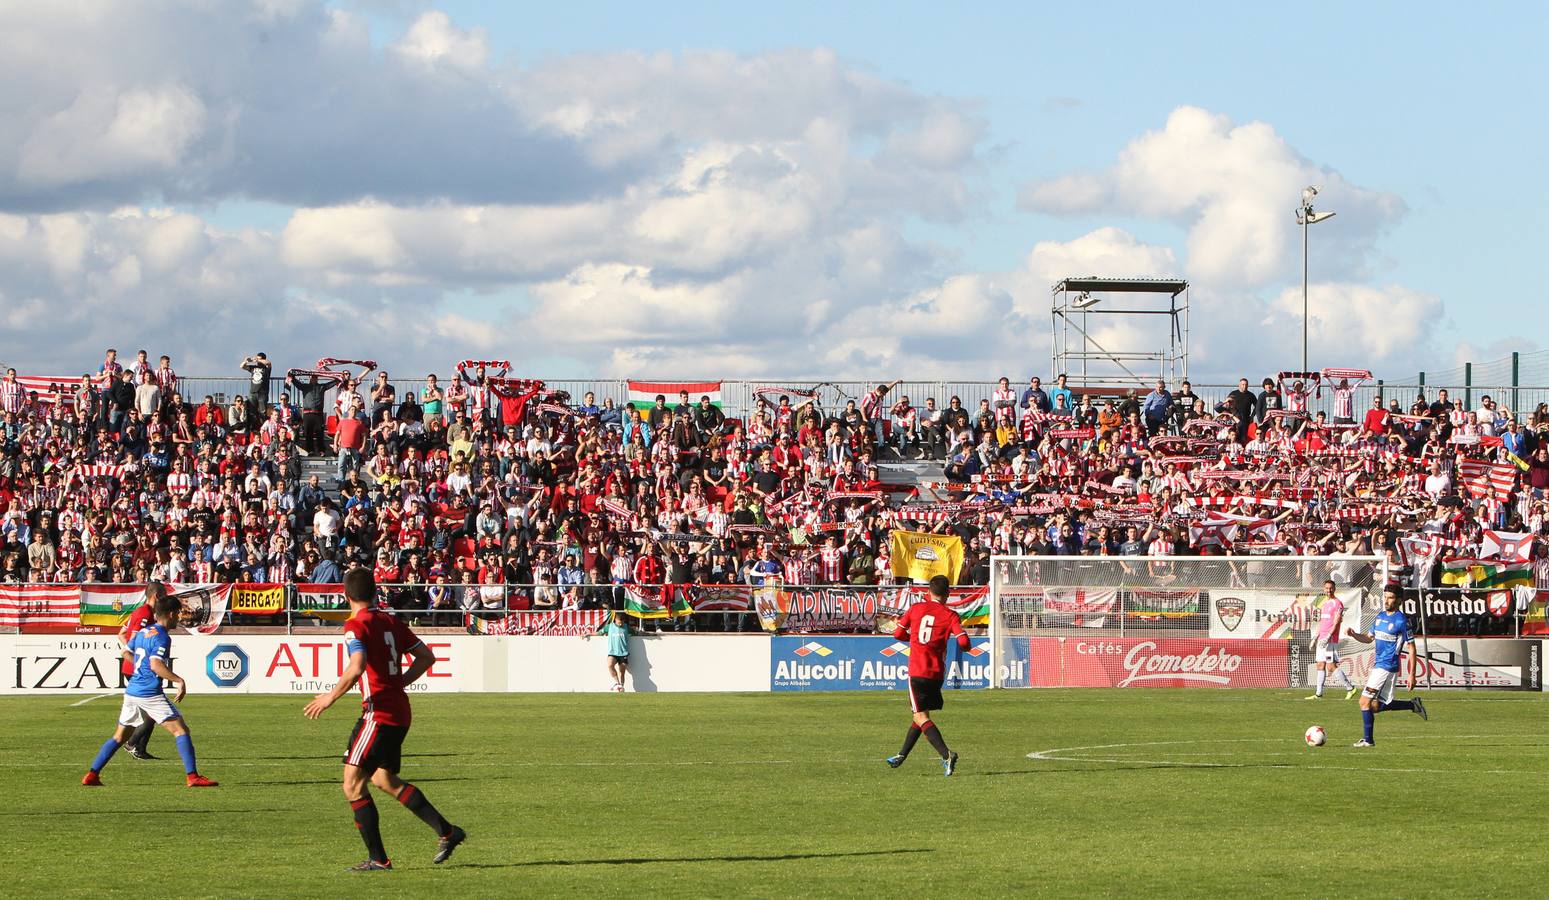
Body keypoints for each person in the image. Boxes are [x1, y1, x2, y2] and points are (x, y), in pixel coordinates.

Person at [303, 569, 466, 871]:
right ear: (374, 592)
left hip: (377, 713)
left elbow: (356, 667)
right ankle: (447, 831)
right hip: (400, 712)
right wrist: (400, 682)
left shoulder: (354, 625)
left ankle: (379, 859)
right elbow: (427, 657)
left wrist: (328, 697)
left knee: (352, 786)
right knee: (383, 779)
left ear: (345, 596)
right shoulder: (392, 621)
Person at [82, 592, 218, 787]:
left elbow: (125, 651)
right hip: (149, 693)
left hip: (132, 691)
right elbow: (155, 665)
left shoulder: (145, 632)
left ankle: (92, 774)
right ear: (171, 614)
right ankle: (192, 777)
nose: (180, 617)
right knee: (181, 730)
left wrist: (141, 664)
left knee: (120, 736)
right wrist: (179, 680)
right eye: (179, 613)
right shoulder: (162, 637)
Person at [885, 574, 969, 775]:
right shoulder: (950, 615)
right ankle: (901, 755)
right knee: (920, 716)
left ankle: (946, 754)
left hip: (917, 670)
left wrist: (914, 638)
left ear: (928, 592)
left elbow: (897, 634)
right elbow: (964, 643)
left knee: (921, 715)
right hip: (937, 674)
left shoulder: (915, 609)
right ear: (948, 594)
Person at [1345, 586, 1428, 747]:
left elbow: (1411, 648)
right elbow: (1369, 638)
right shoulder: (1380, 616)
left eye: (1390, 597)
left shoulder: (1401, 620)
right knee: (1374, 706)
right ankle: (1413, 704)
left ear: (1398, 600)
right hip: (1379, 665)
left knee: (1364, 702)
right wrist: (1354, 634)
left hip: (1387, 666)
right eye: (1385, 597)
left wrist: (1412, 674)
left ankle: (1368, 740)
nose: (1386, 600)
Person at [116, 583, 168, 760]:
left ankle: (139, 748)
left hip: (134, 667)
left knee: (149, 712)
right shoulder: (145, 613)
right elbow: (132, 639)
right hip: (137, 669)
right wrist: (140, 660)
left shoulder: (140, 612)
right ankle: (133, 743)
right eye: (164, 595)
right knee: (152, 711)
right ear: (156, 596)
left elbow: (121, 633)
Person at [1304, 579, 1357, 700]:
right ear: (1324, 589)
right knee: (1320, 665)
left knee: (1331, 666)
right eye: (1327, 588)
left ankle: (1350, 687)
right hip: (1321, 640)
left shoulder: (1337, 603)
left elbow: (1337, 622)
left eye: (1331, 588)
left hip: (1330, 640)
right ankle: (1318, 694)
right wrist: (1315, 638)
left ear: (1334, 589)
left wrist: (1328, 636)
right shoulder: (1325, 603)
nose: (1329, 590)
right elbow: (1322, 623)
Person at [589, 610, 635, 692]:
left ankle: (621, 686)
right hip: (612, 652)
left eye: (622, 621)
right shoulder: (609, 627)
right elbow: (600, 633)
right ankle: (617, 684)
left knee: (622, 671)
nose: (620, 623)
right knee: (610, 665)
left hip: (623, 653)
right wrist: (588, 634)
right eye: (619, 622)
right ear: (615, 620)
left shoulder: (626, 627)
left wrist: (648, 634)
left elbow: (636, 632)